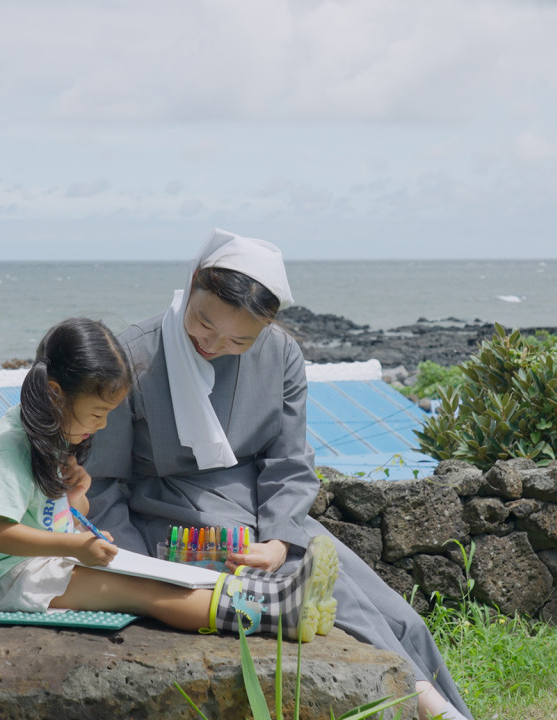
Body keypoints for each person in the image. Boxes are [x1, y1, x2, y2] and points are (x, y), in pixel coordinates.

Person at [85, 230, 475, 720]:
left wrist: (280, 538)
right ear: (192, 282)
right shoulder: (132, 356)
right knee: (344, 606)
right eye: (203, 323)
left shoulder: (282, 354)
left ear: (266, 327)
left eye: (239, 340)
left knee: (401, 617)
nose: (213, 344)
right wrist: (139, 571)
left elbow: (288, 462)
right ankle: (432, 709)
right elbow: (103, 481)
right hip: (174, 516)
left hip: (268, 511)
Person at [0, 316, 338, 642]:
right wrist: (74, 547)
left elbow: (58, 515)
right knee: (148, 592)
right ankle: (277, 616)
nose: (103, 425)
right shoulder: (8, 445)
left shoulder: (53, 432)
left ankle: (282, 592)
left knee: (173, 575)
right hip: (19, 578)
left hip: (56, 562)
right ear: (55, 393)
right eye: (97, 414)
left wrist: (76, 494)